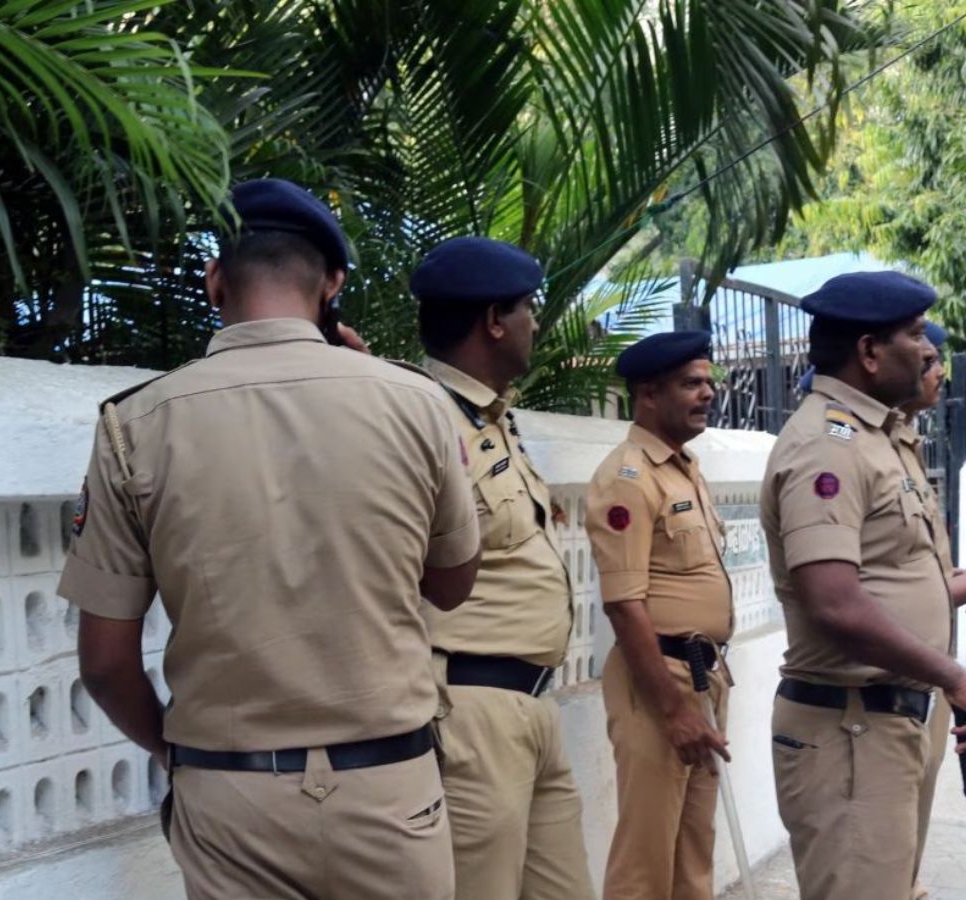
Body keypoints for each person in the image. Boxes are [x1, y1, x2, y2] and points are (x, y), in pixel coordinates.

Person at [59, 178, 482, 900]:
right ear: (333, 284)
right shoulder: (416, 403)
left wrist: (176, 753)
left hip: (230, 794)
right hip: (390, 786)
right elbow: (452, 584)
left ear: (214, 280)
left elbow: (103, 664)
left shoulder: (136, 423)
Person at [761, 271, 966, 900]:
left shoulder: (877, 436)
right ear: (870, 352)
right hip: (850, 731)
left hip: (886, 723)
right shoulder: (828, 445)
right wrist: (953, 674)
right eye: (914, 335)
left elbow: (892, 574)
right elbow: (835, 604)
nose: (927, 351)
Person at [412, 236, 594, 900]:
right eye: (527, 309)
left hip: (532, 705)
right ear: (494, 320)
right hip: (470, 711)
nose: (535, 324)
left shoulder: (489, 418)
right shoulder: (422, 417)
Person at [586, 331, 734, 900]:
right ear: (649, 393)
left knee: (694, 853)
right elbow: (624, 605)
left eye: (708, 382)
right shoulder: (628, 477)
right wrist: (673, 711)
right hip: (660, 684)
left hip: (703, 675)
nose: (708, 394)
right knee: (645, 862)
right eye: (691, 383)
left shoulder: (683, 467)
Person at [896, 321, 955, 900]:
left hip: (927, 681)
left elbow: (924, 580)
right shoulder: (851, 452)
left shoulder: (907, 448)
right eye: (928, 358)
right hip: (881, 693)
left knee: (909, 837)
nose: (936, 372)